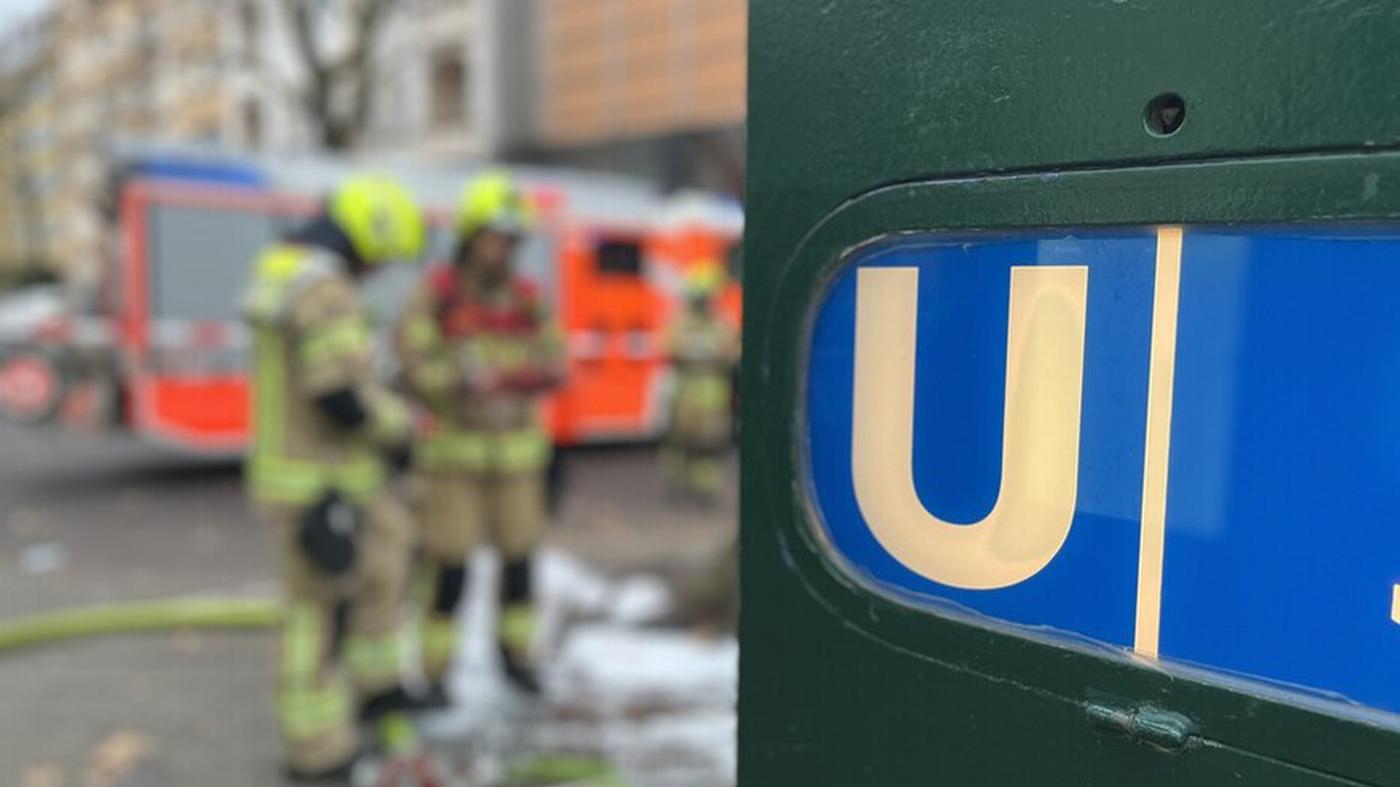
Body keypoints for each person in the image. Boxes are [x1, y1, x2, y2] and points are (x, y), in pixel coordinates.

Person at [242, 175, 424, 780]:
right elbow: (339, 394)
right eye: (382, 257)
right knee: (315, 616)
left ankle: (380, 691)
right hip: (319, 484)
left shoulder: (290, 273)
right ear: (365, 237)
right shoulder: (322, 289)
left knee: (381, 577)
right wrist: (398, 431)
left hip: (341, 478)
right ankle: (316, 750)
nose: (379, 271)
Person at [394, 171, 566, 703]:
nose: (505, 249)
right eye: (496, 236)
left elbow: (556, 361)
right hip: (453, 462)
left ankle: (516, 661)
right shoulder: (436, 297)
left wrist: (512, 377)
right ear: (470, 236)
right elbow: (415, 364)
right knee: (449, 569)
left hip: (517, 459)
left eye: (513, 239)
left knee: (521, 565)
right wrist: (461, 381)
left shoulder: (529, 299)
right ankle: (435, 673)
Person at [661, 261, 740, 503]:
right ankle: (677, 486)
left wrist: (700, 351)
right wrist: (705, 351)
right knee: (679, 444)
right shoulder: (680, 321)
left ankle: (704, 492)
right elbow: (668, 347)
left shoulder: (721, 323)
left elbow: (733, 351)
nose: (705, 302)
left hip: (712, 399)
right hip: (684, 397)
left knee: (709, 449)